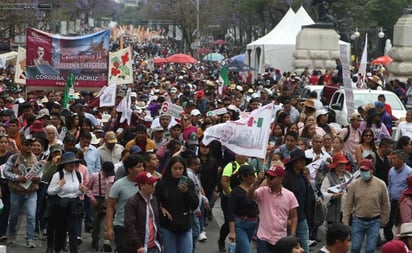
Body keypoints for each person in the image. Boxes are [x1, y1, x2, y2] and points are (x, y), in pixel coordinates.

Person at [343, 159, 390, 253]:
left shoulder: (381, 184)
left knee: (370, 249)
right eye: (362, 170)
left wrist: (384, 220)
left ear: (372, 170)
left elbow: (385, 203)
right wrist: (345, 222)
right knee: (355, 247)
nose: (364, 172)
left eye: (366, 170)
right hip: (358, 220)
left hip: (374, 221)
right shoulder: (354, 184)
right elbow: (348, 204)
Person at [248, 165, 298, 252]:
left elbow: (294, 217)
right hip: (263, 238)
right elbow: (249, 195)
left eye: (272, 177)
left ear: (281, 179)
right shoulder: (262, 191)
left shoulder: (289, 195)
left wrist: (292, 235)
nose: (269, 179)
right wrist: (257, 181)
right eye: (267, 177)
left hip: (281, 239)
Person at [154, 156, 199, 253]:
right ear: (170, 169)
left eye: (180, 169)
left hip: (185, 225)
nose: (178, 171)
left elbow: (194, 205)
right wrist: (161, 208)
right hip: (167, 226)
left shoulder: (188, 183)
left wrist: (187, 192)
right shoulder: (162, 184)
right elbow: (155, 201)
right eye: (175, 169)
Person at [4, 136, 40, 248]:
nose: (29, 147)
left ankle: (29, 239)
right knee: (14, 215)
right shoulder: (13, 158)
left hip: (31, 192)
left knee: (31, 215)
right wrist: (17, 178)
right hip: (16, 191)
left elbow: (41, 173)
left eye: (31, 145)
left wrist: (37, 178)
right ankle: (12, 235)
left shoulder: (36, 158)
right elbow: (6, 172)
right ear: (22, 146)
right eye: (27, 144)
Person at [47, 152, 86, 253]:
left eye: (73, 162)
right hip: (61, 206)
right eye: (69, 163)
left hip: (73, 205)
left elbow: (78, 191)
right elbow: (49, 192)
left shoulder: (78, 174)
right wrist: (59, 186)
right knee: (60, 230)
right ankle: (57, 249)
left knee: (73, 231)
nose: (72, 165)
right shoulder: (58, 175)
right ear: (64, 164)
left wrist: (82, 190)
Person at [106, 154, 144, 253]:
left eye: (142, 166)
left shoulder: (145, 184)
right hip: (122, 226)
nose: (142, 169)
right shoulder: (119, 185)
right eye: (139, 166)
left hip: (140, 227)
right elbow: (110, 207)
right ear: (130, 169)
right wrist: (109, 228)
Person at [282, 149, 315, 253]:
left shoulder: (303, 177)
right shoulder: (286, 177)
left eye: (304, 160)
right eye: (300, 160)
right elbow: (282, 198)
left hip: (302, 216)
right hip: (289, 218)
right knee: (289, 248)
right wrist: (287, 217)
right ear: (294, 162)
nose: (303, 162)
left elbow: (307, 197)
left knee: (304, 248)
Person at [124, 171, 162, 253]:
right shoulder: (132, 202)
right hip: (140, 248)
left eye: (153, 183)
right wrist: (139, 245)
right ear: (142, 186)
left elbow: (157, 222)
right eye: (150, 183)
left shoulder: (154, 199)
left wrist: (161, 242)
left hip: (155, 246)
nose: (153, 186)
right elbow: (130, 226)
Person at [218, 153, 249, 252]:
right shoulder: (231, 166)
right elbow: (224, 181)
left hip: (244, 200)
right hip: (229, 198)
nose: (240, 156)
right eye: (238, 154)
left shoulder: (249, 167)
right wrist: (231, 195)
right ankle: (221, 240)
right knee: (229, 221)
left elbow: (253, 181)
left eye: (242, 154)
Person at [227, 165, 259, 253]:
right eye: (251, 174)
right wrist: (232, 232)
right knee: (246, 250)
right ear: (243, 177)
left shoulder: (255, 191)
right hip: (241, 224)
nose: (253, 177)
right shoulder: (236, 192)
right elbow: (230, 212)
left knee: (240, 249)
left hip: (252, 224)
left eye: (254, 174)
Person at [87, 161, 115, 251]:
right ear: (102, 170)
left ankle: (106, 242)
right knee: (95, 222)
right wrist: (92, 199)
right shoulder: (95, 176)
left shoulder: (113, 178)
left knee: (106, 223)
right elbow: (88, 188)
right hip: (96, 199)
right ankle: (95, 240)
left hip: (107, 200)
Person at [387, 150, 412, 241]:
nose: (392, 160)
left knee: (404, 223)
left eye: (394, 158)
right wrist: (389, 196)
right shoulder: (391, 171)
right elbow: (390, 184)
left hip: (404, 202)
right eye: (391, 158)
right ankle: (390, 242)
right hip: (393, 201)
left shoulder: (409, 172)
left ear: (401, 159)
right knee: (388, 224)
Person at [321, 154, 352, 224]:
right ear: (335, 165)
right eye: (340, 164)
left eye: (344, 164)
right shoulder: (328, 177)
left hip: (346, 210)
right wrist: (332, 196)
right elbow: (322, 193)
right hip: (333, 211)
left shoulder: (348, 175)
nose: (342, 166)